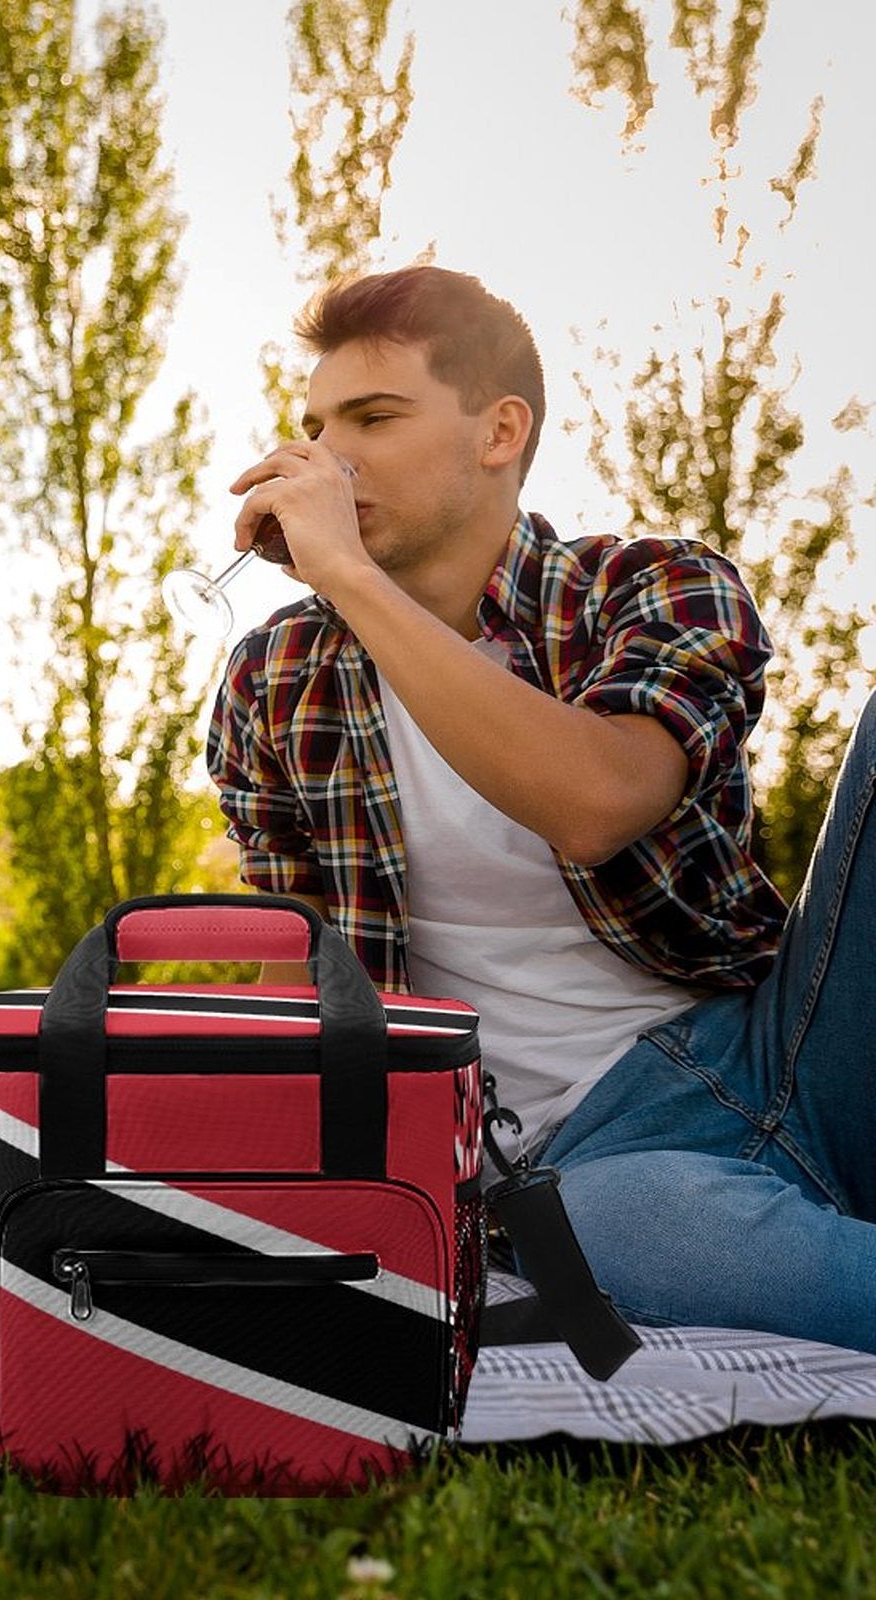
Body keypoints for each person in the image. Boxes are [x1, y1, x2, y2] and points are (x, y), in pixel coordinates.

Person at [208, 264, 876, 1353]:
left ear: (499, 431)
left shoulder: (650, 586)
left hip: (776, 1050)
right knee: (607, 1233)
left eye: (374, 417)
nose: (328, 458)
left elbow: (601, 800)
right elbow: (319, 986)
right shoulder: (275, 680)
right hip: (588, 1162)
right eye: (316, 425)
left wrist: (354, 581)